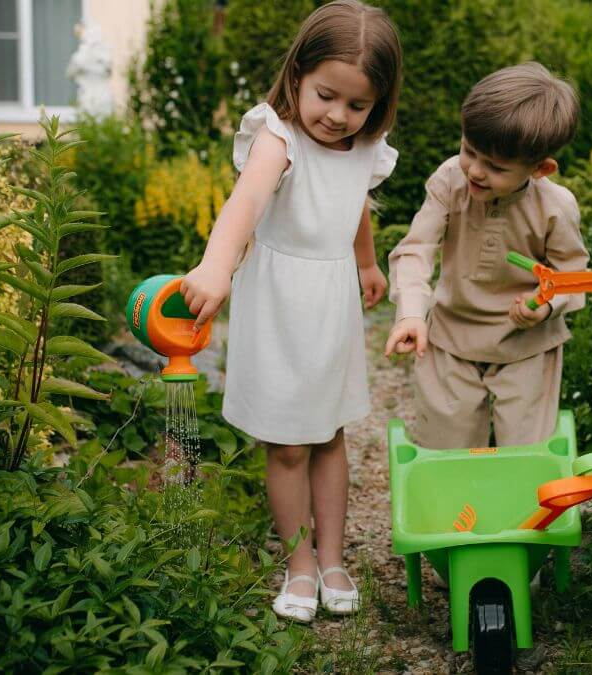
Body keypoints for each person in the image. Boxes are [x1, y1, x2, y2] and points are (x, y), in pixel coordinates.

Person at [179, 0, 402, 623]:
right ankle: (299, 562)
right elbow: (245, 203)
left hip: (330, 300)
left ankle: (333, 558)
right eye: (327, 95)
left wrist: (366, 262)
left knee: (330, 432)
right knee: (286, 444)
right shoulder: (277, 137)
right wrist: (215, 266)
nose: (338, 116)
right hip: (278, 301)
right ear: (298, 74)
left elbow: (356, 201)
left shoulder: (365, 144)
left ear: (377, 105)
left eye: (357, 105)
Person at [385, 62, 589, 451]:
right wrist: (411, 311)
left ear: (541, 169)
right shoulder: (449, 180)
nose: (475, 171)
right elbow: (416, 249)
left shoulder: (556, 206)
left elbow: (572, 273)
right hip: (450, 337)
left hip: (526, 344)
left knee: (525, 451)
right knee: (446, 446)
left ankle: (518, 511)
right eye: (469, 151)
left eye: (495, 167)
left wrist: (545, 306)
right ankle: (451, 512)